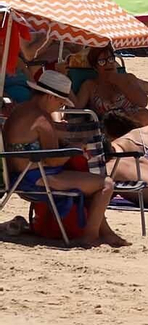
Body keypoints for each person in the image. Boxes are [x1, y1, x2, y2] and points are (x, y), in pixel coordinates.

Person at [2, 70, 127, 246]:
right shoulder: (41, 119)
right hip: (35, 179)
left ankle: (105, 232)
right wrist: (75, 149)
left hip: (20, 175)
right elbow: (53, 160)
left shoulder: (22, 110)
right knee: (106, 184)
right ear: (50, 97)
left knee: (86, 177)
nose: (60, 106)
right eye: (61, 101)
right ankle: (90, 236)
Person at [74, 46, 148, 128]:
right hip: (107, 128)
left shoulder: (128, 78)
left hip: (132, 124)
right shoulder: (90, 85)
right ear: (95, 67)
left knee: (144, 114)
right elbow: (77, 107)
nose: (108, 64)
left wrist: (121, 83)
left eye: (111, 59)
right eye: (102, 61)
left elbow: (142, 102)